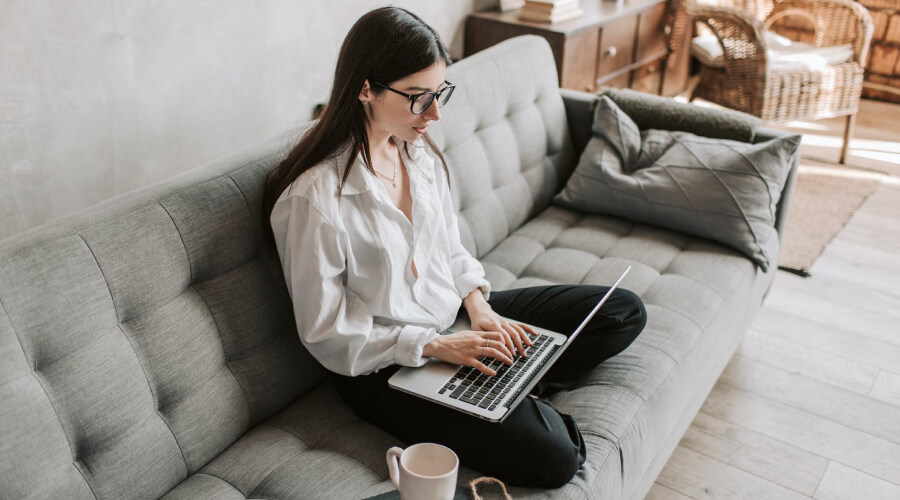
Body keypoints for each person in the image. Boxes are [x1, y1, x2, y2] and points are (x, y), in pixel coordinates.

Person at [262, 6, 647, 489]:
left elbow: (450, 248)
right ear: (366, 89)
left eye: (440, 93)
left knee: (622, 311)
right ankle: (508, 389)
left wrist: (480, 308)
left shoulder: (415, 152)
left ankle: (504, 382)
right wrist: (437, 347)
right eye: (420, 98)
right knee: (556, 459)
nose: (436, 113)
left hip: (455, 321)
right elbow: (326, 333)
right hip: (386, 365)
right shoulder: (314, 199)